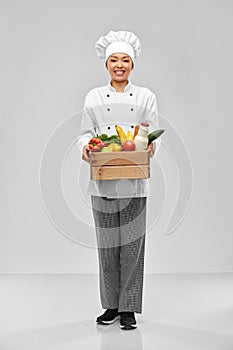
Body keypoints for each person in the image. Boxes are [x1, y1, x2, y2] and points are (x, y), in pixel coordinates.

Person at [76, 30, 160, 330]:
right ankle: (111, 305)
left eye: (125, 60)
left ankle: (129, 309)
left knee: (134, 246)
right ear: (106, 64)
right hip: (103, 180)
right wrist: (86, 148)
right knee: (108, 246)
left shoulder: (146, 95)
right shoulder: (94, 96)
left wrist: (151, 146)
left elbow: (152, 135)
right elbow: (86, 133)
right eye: (114, 60)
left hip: (135, 180)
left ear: (133, 64)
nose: (119, 65)